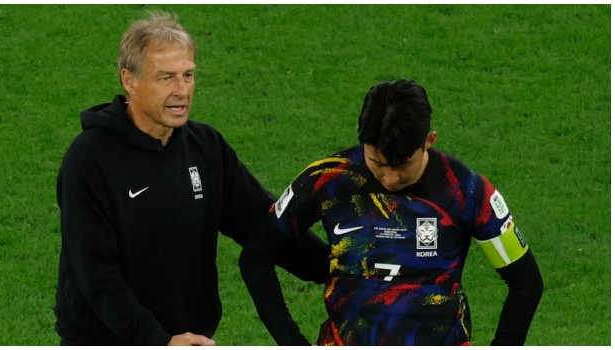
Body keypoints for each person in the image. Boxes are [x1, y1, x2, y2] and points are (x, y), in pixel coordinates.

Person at [54, 11, 329, 346]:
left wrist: (339, 267)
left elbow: (261, 223)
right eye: (166, 78)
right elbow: (96, 275)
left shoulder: (206, 148)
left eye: (188, 75)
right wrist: (158, 340)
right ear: (130, 80)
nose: (182, 90)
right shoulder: (89, 160)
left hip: (190, 337)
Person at [239, 79, 544, 346]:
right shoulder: (328, 179)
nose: (390, 179)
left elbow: (525, 281)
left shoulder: (465, 190)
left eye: (401, 166)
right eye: (377, 163)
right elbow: (257, 257)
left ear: (429, 141)